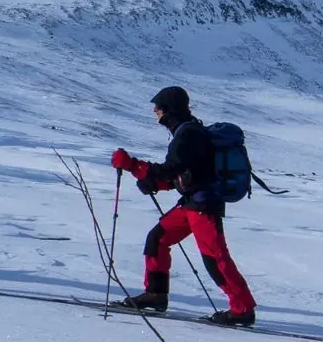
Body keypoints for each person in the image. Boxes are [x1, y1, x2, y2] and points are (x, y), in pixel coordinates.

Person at [109, 86, 258, 326]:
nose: (154, 110)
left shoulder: (187, 134)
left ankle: (242, 309)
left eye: (157, 106)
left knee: (215, 258)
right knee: (157, 239)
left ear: (168, 109)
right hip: (192, 204)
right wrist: (151, 179)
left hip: (203, 206)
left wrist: (134, 166)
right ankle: (156, 294)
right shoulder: (187, 131)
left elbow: (171, 170)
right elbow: (183, 174)